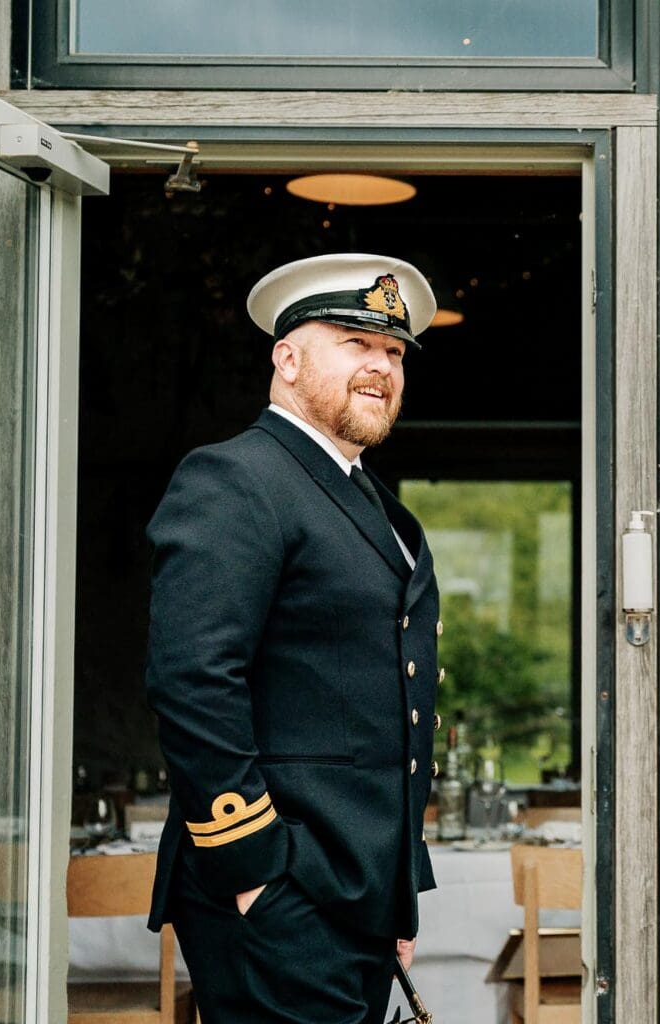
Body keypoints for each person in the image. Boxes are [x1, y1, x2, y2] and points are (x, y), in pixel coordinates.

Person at [143, 253, 444, 1022]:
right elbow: (195, 679)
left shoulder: (361, 496)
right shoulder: (236, 478)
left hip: (356, 892)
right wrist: (254, 874)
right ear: (287, 358)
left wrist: (397, 892)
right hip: (281, 894)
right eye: (355, 342)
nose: (382, 366)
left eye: (395, 352)